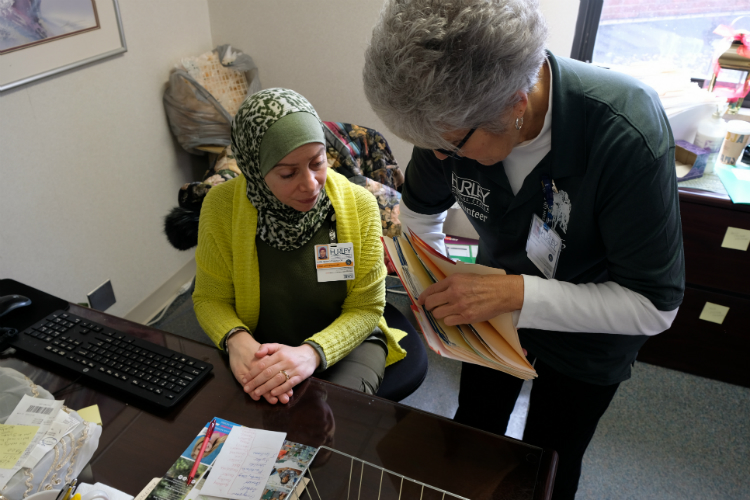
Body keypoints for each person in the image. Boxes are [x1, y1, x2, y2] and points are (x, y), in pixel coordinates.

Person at [363, 1, 684, 498]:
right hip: (492, 315)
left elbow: (654, 306)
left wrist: (515, 293)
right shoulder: (448, 120)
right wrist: (438, 288)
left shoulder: (626, 132)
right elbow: (419, 213)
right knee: (472, 430)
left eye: (450, 147)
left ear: (516, 103)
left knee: (549, 459)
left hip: (591, 332)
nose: (438, 156)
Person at [193, 88, 407, 405]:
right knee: (251, 427)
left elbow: (366, 309)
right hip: (259, 345)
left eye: (317, 163)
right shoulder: (221, 207)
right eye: (288, 173)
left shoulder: (358, 206)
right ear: (255, 169)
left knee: (331, 419)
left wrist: (311, 354)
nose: (309, 184)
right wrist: (236, 340)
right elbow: (210, 298)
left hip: (347, 343)